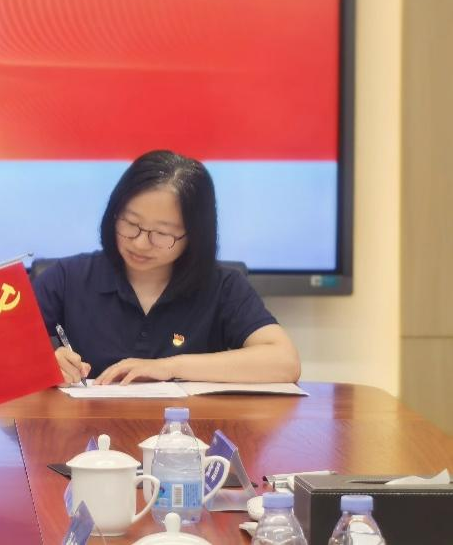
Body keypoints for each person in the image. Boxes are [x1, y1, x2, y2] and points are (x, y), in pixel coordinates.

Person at [34, 150, 301, 386]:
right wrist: (47, 362)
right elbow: (9, 355)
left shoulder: (222, 286)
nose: (140, 243)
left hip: (189, 427)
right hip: (87, 428)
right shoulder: (68, 278)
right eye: (131, 223)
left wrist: (170, 367)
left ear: (195, 235)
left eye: (162, 234)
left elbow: (284, 362)